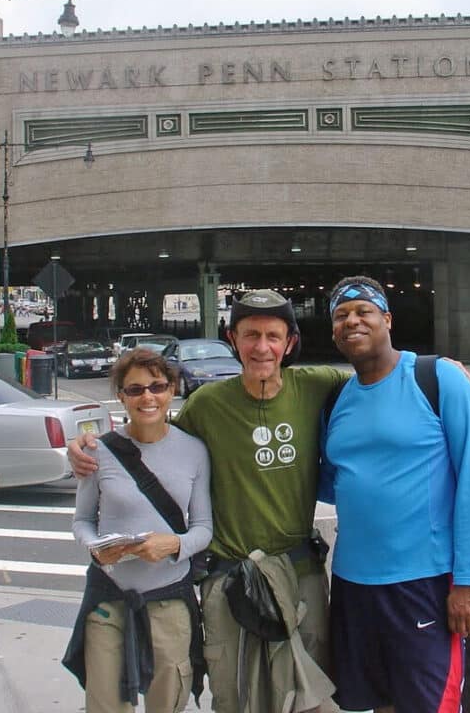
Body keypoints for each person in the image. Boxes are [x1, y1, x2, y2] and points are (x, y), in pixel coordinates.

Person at [70, 289, 343, 713]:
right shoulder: (207, 404)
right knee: (232, 697)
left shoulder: (316, 385)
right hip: (228, 580)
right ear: (233, 338)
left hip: (298, 574)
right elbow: (155, 438)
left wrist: (435, 369)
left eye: (273, 335)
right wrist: (88, 446)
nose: (262, 347)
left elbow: (381, 372)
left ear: (290, 342)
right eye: (251, 335)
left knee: (307, 699)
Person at [319, 276, 470, 713]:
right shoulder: (337, 397)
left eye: (364, 311)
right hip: (353, 584)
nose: (352, 321)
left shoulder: (437, 379)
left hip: (425, 583)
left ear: (388, 319)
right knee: (377, 703)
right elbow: (332, 481)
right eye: (341, 315)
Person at [62, 348, 212, 713]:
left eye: (157, 387)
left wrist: (174, 544)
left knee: (167, 701)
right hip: (109, 599)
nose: (148, 397)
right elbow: (81, 520)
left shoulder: (194, 451)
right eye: (135, 390)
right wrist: (96, 547)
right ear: (121, 396)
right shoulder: (98, 452)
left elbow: (204, 528)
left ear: (172, 389)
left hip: (170, 600)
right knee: (105, 704)